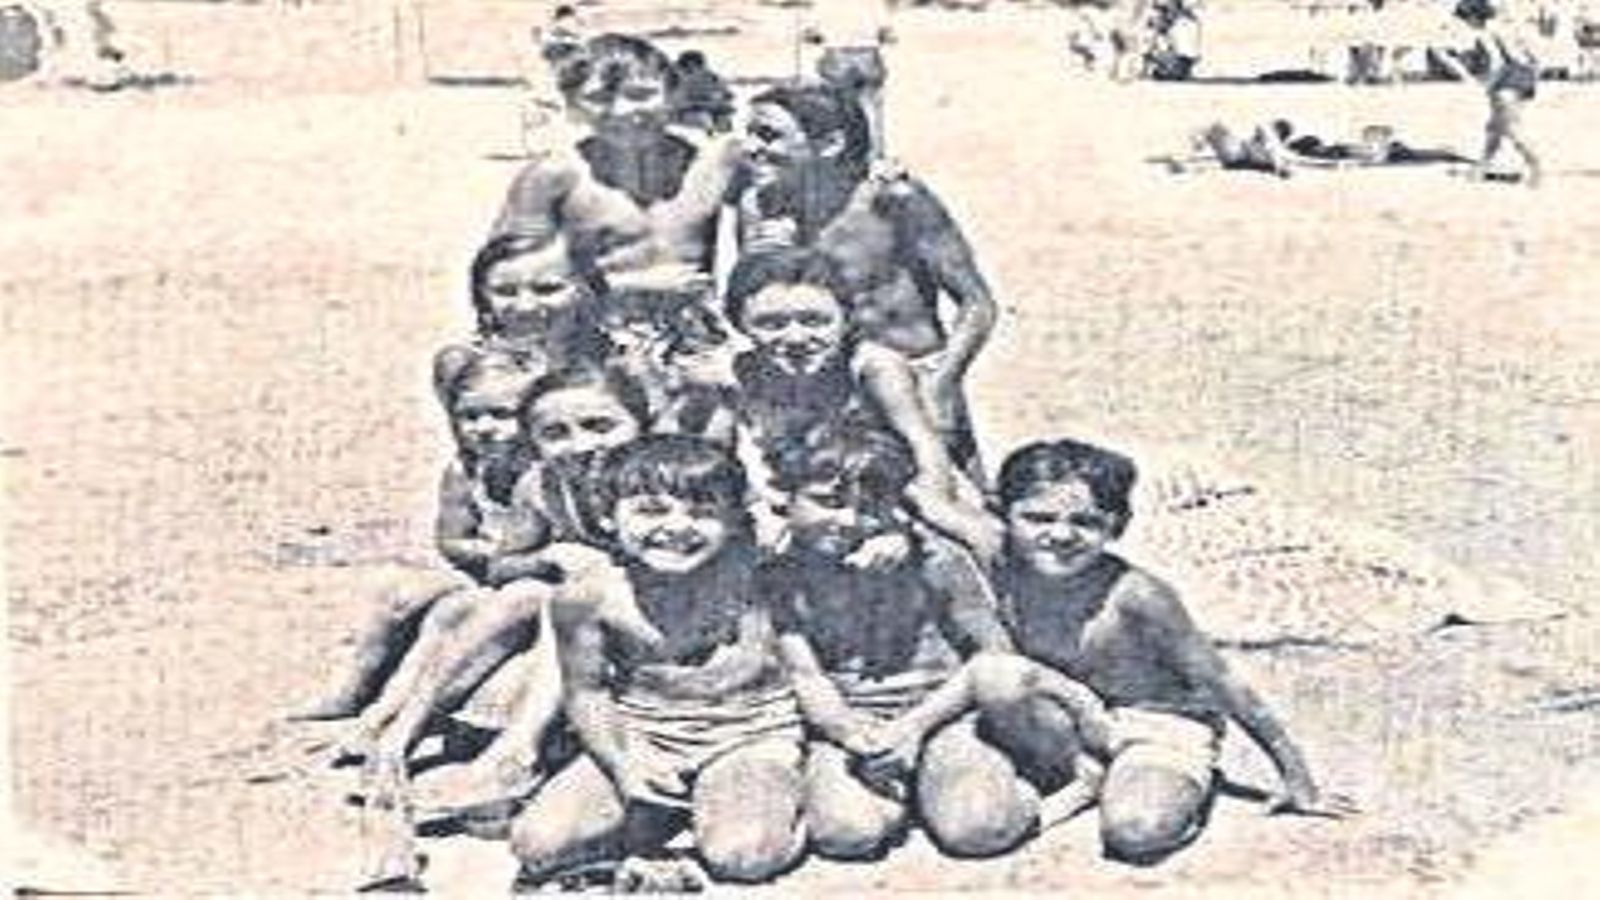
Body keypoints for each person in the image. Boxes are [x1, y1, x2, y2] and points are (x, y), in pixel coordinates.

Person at [909, 439, 1340, 864]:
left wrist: (1296, 777)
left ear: (1116, 525)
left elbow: (1222, 683)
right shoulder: (993, 547)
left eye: (1086, 522)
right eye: (1038, 518)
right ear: (1004, 515)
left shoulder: (1139, 596)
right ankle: (1084, 776)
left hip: (1155, 722)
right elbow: (920, 494)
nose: (1060, 534)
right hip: (1061, 720)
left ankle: (1141, 784)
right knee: (1000, 680)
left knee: (1136, 832)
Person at [507, 435, 807, 889]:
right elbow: (587, 692)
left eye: (704, 510)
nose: (677, 526)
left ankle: (765, 812)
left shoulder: (762, 572)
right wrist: (623, 764)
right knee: (539, 843)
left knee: (743, 856)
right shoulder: (589, 596)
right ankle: (663, 822)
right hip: (645, 733)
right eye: (650, 510)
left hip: (751, 734)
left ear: (735, 519)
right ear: (609, 517)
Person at [764, 422, 1028, 860]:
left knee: (979, 830)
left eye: (871, 507)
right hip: (849, 723)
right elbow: (805, 675)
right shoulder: (778, 577)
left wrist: (912, 729)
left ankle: (1033, 793)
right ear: (785, 498)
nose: (849, 520)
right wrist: (852, 734)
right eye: (828, 502)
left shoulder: (934, 559)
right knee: (846, 833)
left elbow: (993, 654)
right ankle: (905, 798)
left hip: (942, 713)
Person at [738, 85, 999, 481]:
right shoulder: (760, 204)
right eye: (750, 131)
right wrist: (759, 262)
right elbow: (753, 311)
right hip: (822, 383)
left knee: (956, 504)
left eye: (768, 135)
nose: (750, 147)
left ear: (830, 144)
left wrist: (943, 382)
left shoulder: (893, 198)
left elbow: (978, 305)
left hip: (916, 377)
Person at [291, 352, 548, 725]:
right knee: (399, 595)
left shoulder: (548, 470)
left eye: (500, 415)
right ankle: (354, 688)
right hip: (483, 567)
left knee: (455, 616)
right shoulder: (465, 470)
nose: (484, 427)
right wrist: (494, 555)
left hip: (526, 577)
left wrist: (517, 560)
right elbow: (451, 541)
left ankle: (401, 708)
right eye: (470, 416)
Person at [723, 248, 1000, 563]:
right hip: (790, 497)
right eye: (771, 324)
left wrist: (916, 522)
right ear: (740, 324)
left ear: (846, 318)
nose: (796, 337)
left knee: (970, 538)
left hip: (882, 490)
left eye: (815, 321)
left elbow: (923, 446)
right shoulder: (736, 375)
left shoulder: (872, 367)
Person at [1435, 0, 1542, 186]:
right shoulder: (1498, 28)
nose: (1462, 22)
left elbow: (1498, 62)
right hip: (1519, 78)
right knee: (1494, 128)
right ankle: (1483, 167)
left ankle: (1535, 167)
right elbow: (1530, 58)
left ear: (1473, 17)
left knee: (1511, 129)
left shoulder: (1488, 33)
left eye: (1464, 18)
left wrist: (1474, 80)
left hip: (1507, 80)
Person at [670, 50, 735, 135]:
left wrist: (721, 100)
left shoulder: (712, 77)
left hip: (713, 111)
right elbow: (678, 103)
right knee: (704, 118)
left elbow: (727, 95)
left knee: (718, 119)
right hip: (693, 114)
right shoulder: (685, 81)